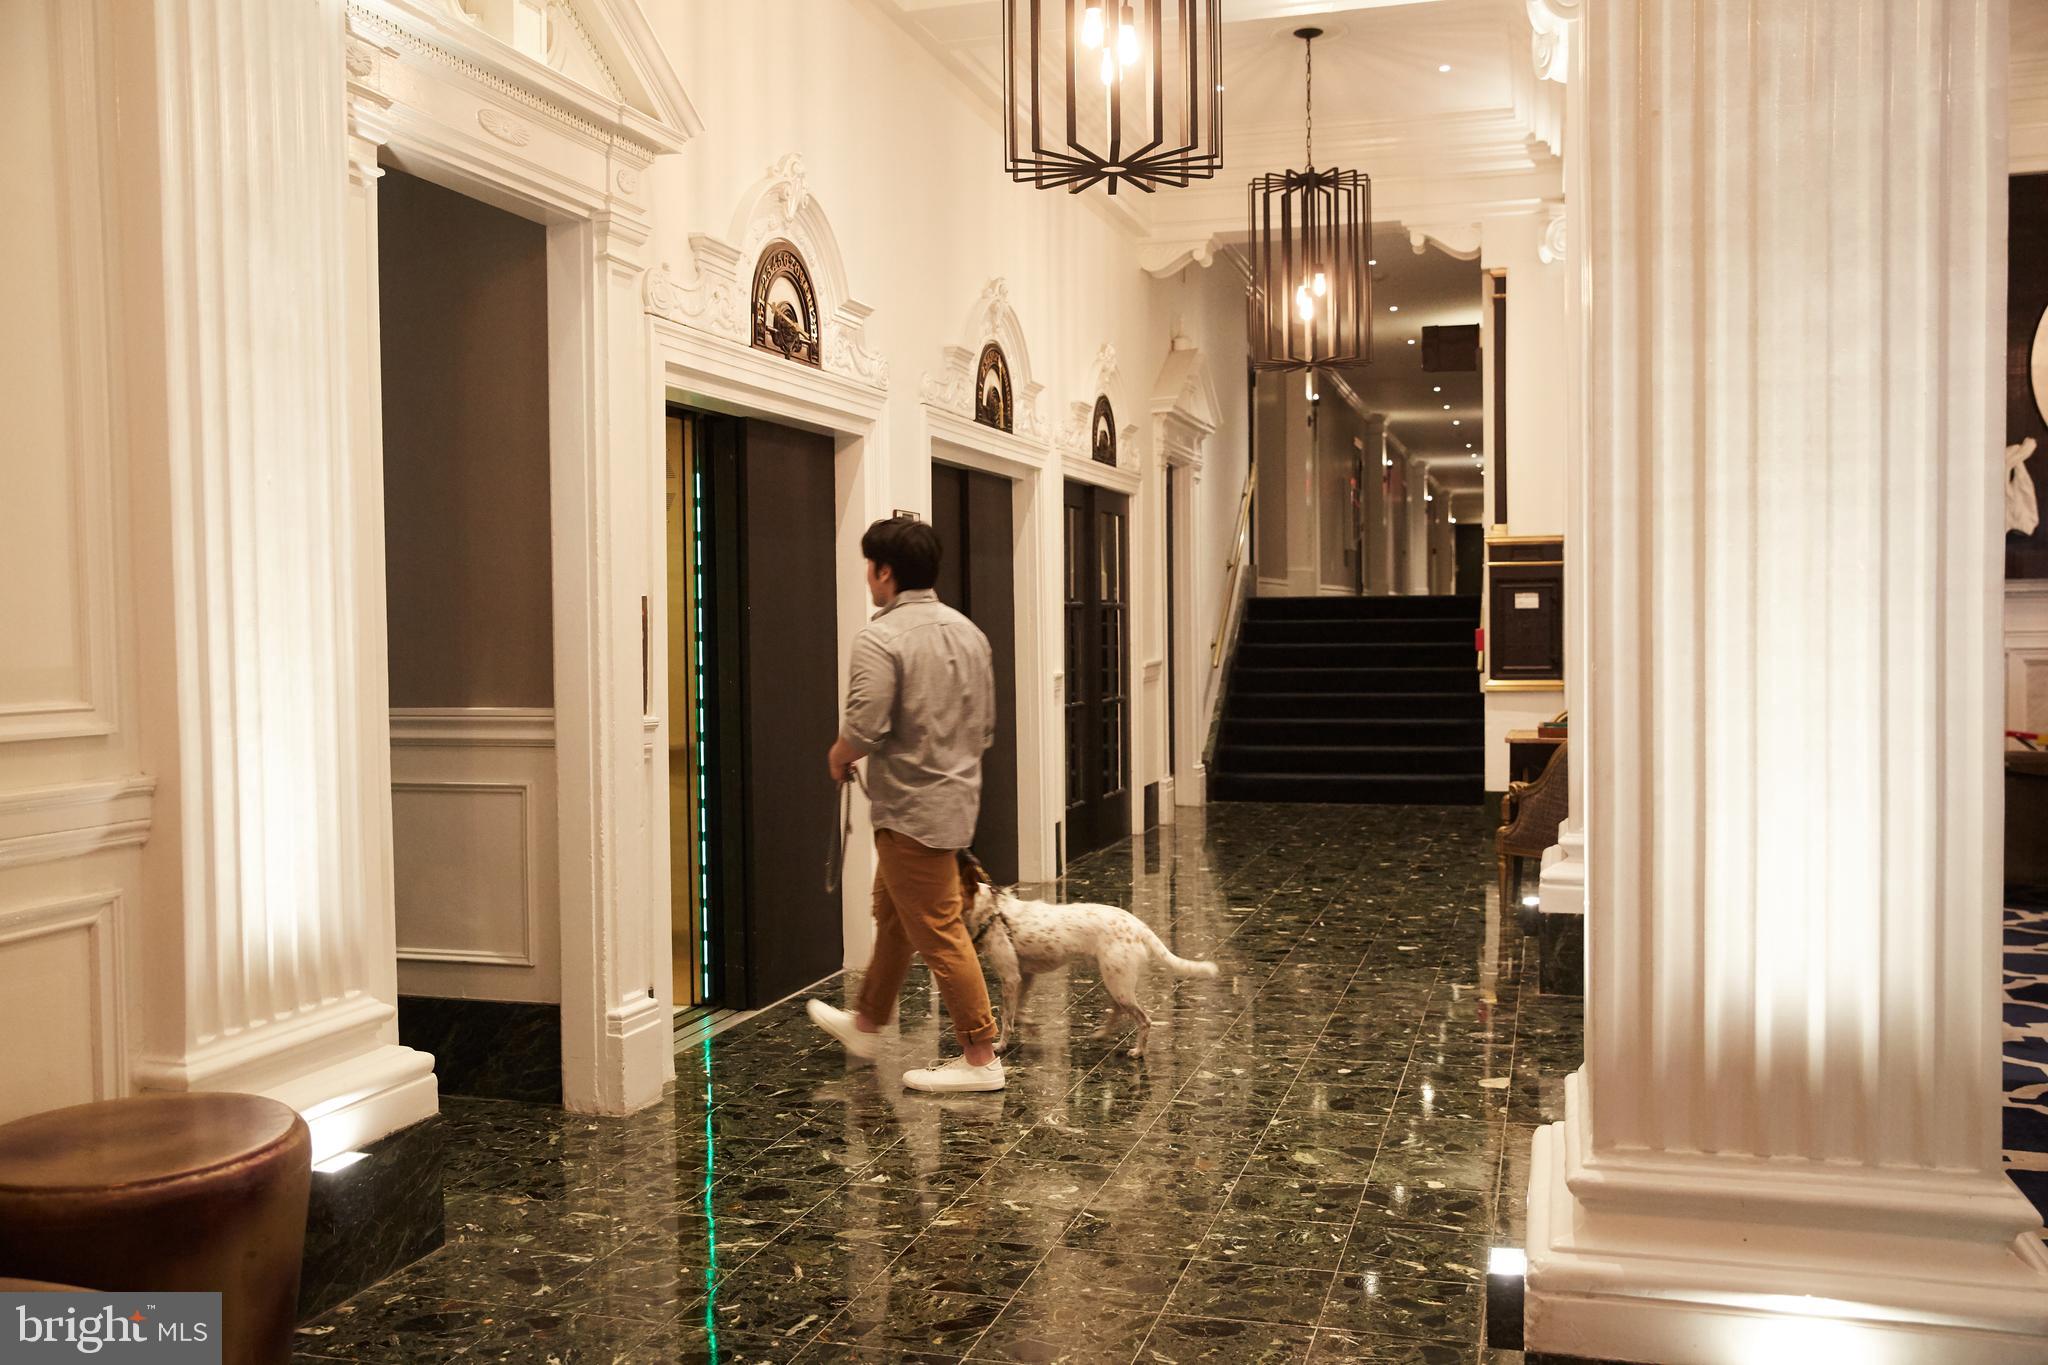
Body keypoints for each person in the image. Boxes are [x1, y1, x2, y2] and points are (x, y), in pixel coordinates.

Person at [807, 516, 1004, 1092]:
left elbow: (864, 728)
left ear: (885, 571)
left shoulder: (881, 638)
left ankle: (981, 1056)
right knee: (896, 915)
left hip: (910, 810)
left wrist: (838, 755)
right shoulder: (970, 633)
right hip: (955, 801)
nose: (868, 576)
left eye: (870, 566)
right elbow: (985, 727)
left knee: (938, 929)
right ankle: (867, 1024)